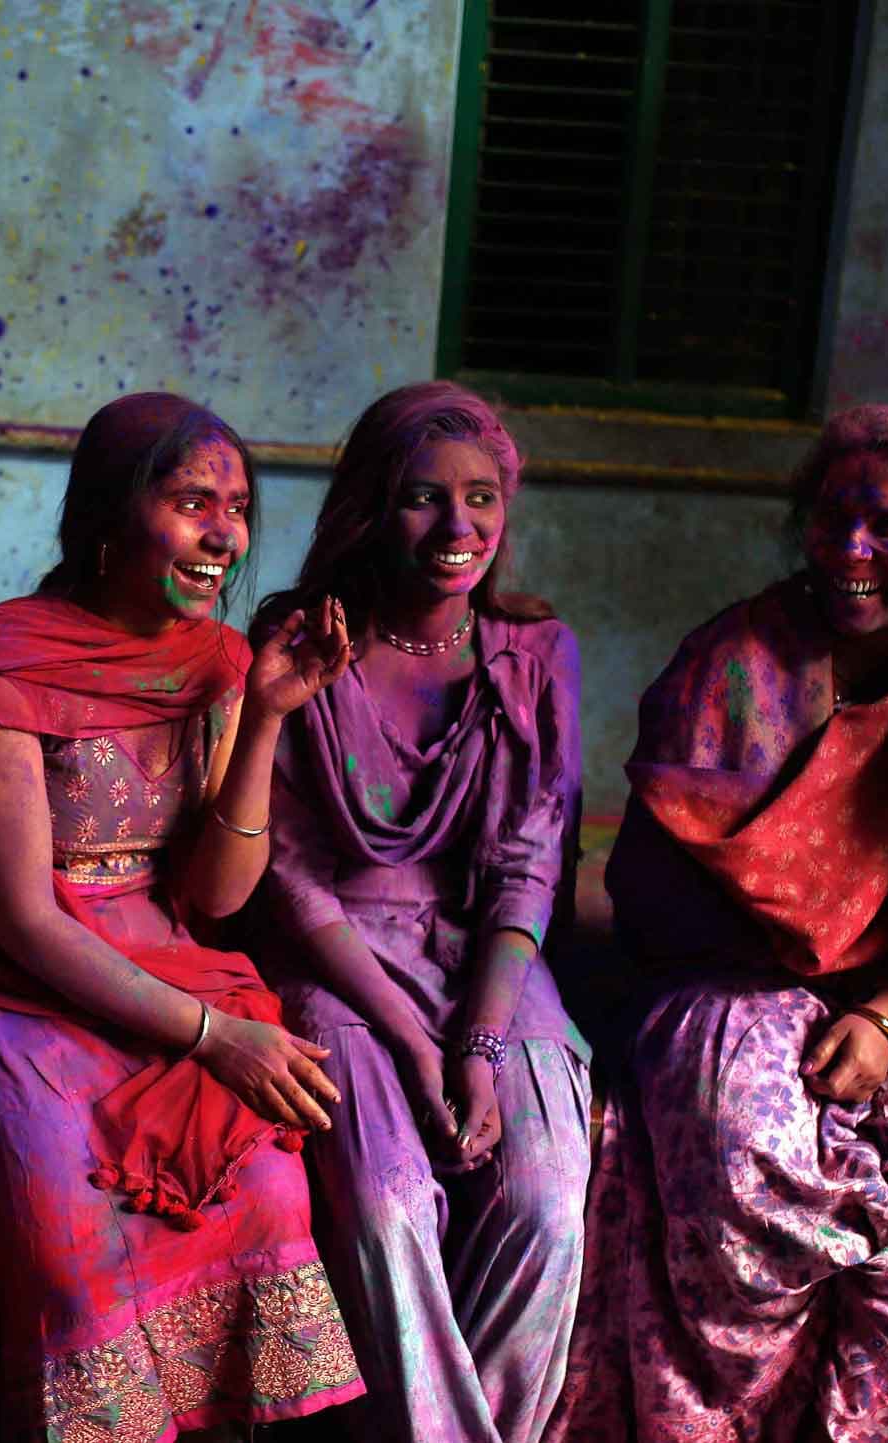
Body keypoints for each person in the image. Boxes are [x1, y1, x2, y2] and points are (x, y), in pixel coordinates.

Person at [0, 392, 365, 1440]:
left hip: (170, 959)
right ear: (111, 513)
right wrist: (218, 1038)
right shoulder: (3, 660)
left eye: (235, 507)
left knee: (268, 1202)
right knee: (64, 1225)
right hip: (30, 989)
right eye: (191, 501)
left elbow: (213, 899)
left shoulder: (221, 667)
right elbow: (22, 920)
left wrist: (266, 721)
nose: (222, 535)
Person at [553, 405, 888, 1443]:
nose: (851, 550)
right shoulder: (732, 661)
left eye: (887, 528)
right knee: (750, 1154)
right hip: (729, 972)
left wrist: (885, 1012)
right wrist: (790, 968)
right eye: (830, 518)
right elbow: (647, 890)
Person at [252, 381, 591, 1443]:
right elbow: (289, 876)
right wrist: (409, 1041)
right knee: (390, 1209)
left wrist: (479, 1044)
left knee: (544, 1206)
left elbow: (529, 865)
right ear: (367, 505)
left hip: (489, 961)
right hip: (340, 955)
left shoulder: (536, 655)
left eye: (482, 498)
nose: (458, 529)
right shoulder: (301, 641)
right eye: (421, 498)